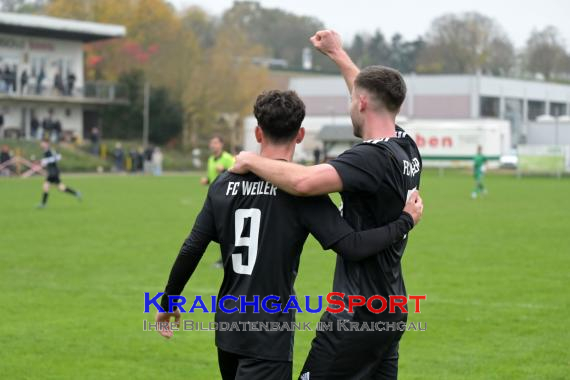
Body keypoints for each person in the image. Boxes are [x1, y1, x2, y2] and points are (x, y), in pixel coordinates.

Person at [155, 90, 424, 380]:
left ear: (258, 133)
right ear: (300, 134)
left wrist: (169, 300)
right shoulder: (301, 192)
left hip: (228, 331)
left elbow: (192, 248)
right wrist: (405, 221)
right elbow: (353, 247)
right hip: (269, 337)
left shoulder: (223, 184)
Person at [231, 30, 423, 380]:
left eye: (354, 99)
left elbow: (303, 183)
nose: (351, 102)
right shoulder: (406, 145)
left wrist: (250, 160)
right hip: (392, 306)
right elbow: (364, 89)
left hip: (356, 313)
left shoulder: (369, 158)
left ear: (362, 103)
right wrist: (338, 54)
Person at [37, 141, 81, 209]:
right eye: (41, 144)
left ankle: (43, 204)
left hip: (53, 172)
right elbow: (46, 162)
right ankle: (76, 193)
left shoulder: (51, 151)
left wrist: (46, 161)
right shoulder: (45, 152)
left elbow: (58, 157)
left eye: (43, 143)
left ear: (47, 144)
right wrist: (43, 163)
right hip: (52, 172)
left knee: (46, 186)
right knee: (61, 188)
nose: (41, 145)